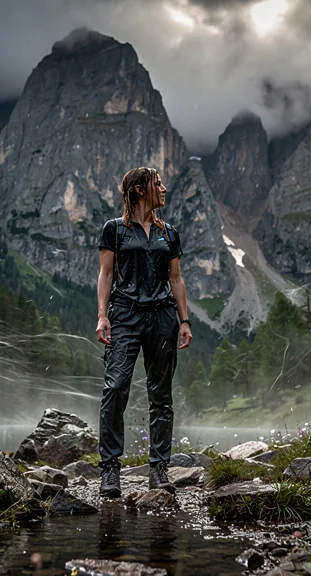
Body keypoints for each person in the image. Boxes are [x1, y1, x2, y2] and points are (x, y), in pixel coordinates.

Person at [95, 166, 193, 498]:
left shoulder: (170, 233)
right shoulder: (115, 230)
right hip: (124, 315)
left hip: (163, 317)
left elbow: (176, 278)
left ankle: (159, 469)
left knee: (161, 396)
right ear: (140, 189)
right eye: (158, 184)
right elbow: (106, 275)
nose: (164, 188)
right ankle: (110, 470)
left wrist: (184, 321)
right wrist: (102, 316)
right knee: (116, 387)